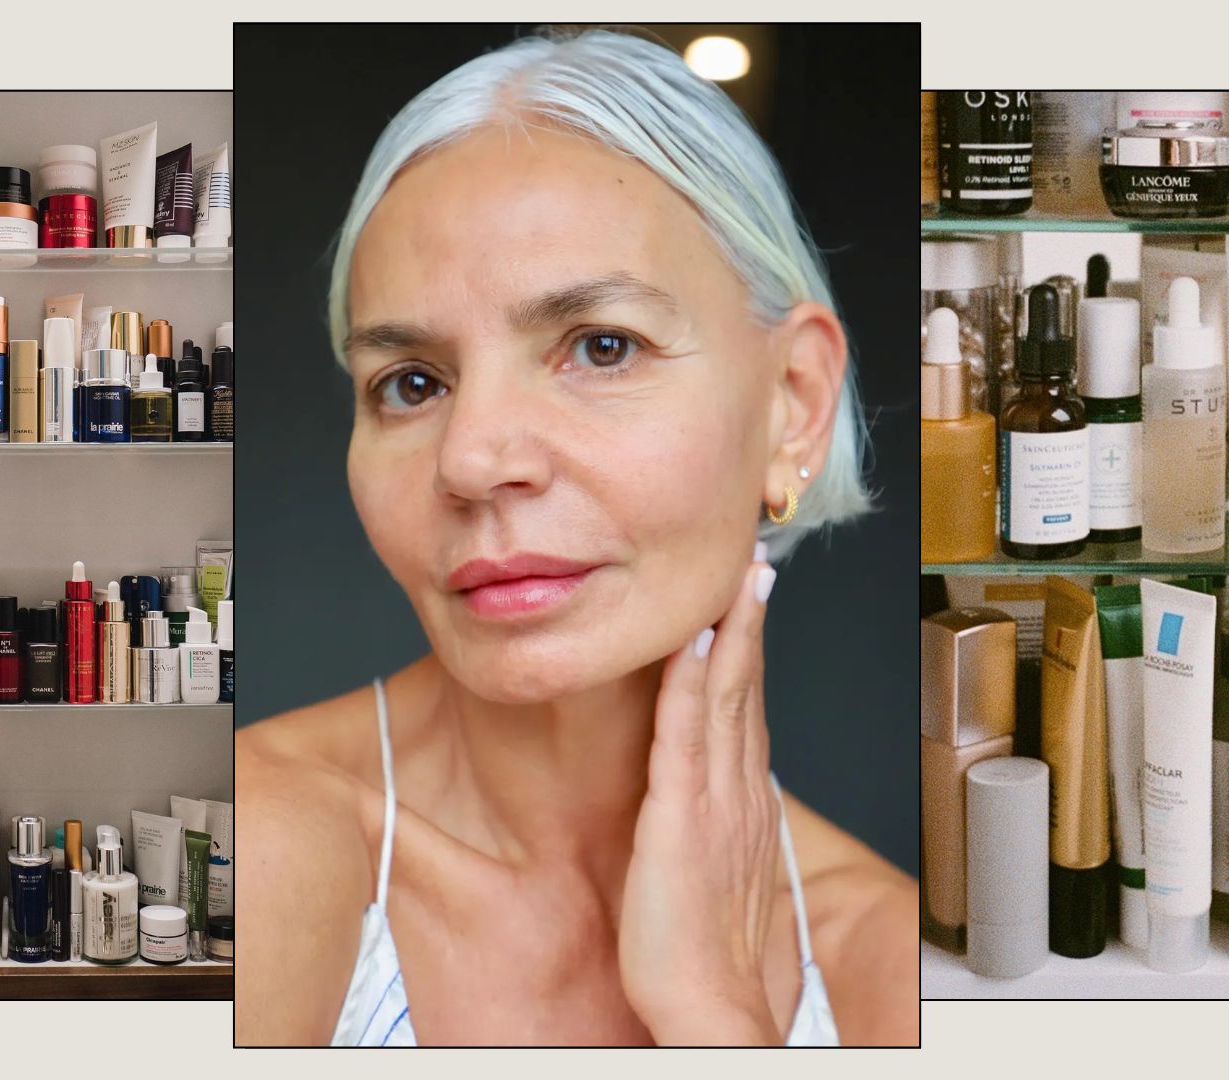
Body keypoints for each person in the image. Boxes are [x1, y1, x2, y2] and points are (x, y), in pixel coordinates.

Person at [237, 28, 916, 1046]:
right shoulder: (256, 853)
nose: (471, 461)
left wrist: (714, 1015)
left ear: (794, 404)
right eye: (411, 383)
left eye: (601, 347)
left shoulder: (888, 961)